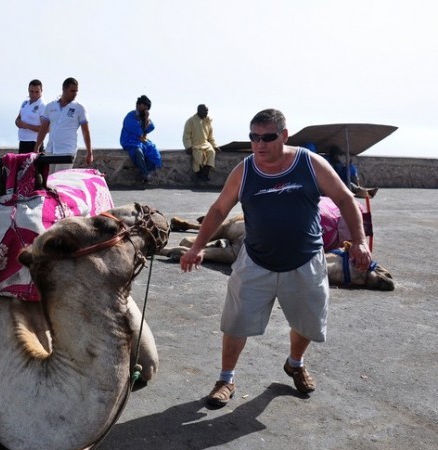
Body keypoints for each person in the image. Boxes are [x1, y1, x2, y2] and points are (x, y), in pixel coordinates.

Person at [179, 108, 372, 408]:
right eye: (254, 137)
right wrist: (197, 247)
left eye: (267, 138)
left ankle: (295, 363)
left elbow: (345, 198)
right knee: (236, 323)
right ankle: (226, 378)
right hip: (256, 261)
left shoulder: (310, 164)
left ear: (284, 135)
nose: (259, 144)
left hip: (305, 261)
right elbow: (219, 210)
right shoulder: (244, 171)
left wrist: (359, 242)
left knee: (306, 323)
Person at [34, 77, 93, 172]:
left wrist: (89, 152)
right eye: (72, 91)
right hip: (51, 150)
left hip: (67, 151)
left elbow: (85, 131)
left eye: (76, 91)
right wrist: (37, 147)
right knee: (49, 181)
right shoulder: (50, 106)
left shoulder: (79, 108)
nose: (75, 94)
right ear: (64, 89)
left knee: (60, 180)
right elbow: (44, 128)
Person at [120, 95, 162, 185]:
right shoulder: (130, 116)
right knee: (138, 152)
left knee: (153, 151)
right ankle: (145, 173)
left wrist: (146, 119)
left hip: (140, 141)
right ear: (139, 105)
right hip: (130, 140)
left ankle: (144, 173)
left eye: (147, 107)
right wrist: (144, 123)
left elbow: (151, 127)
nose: (146, 109)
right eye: (145, 105)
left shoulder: (144, 117)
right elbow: (138, 131)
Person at [183, 104, 219, 182]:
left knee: (211, 152)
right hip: (195, 145)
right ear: (199, 111)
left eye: (207, 111)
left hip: (206, 144)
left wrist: (215, 146)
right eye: (205, 110)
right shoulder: (191, 121)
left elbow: (211, 137)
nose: (207, 112)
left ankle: (204, 174)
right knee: (198, 155)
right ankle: (198, 174)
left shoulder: (208, 122)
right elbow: (186, 135)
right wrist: (188, 147)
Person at [15, 79, 44, 153]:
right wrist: (17, 122)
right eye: (32, 91)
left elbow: (45, 128)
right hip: (22, 141)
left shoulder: (42, 105)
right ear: (28, 90)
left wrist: (26, 126)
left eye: (37, 92)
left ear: (41, 91)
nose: (34, 94)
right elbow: (18, 118)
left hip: (34, 143)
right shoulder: (25, 103)